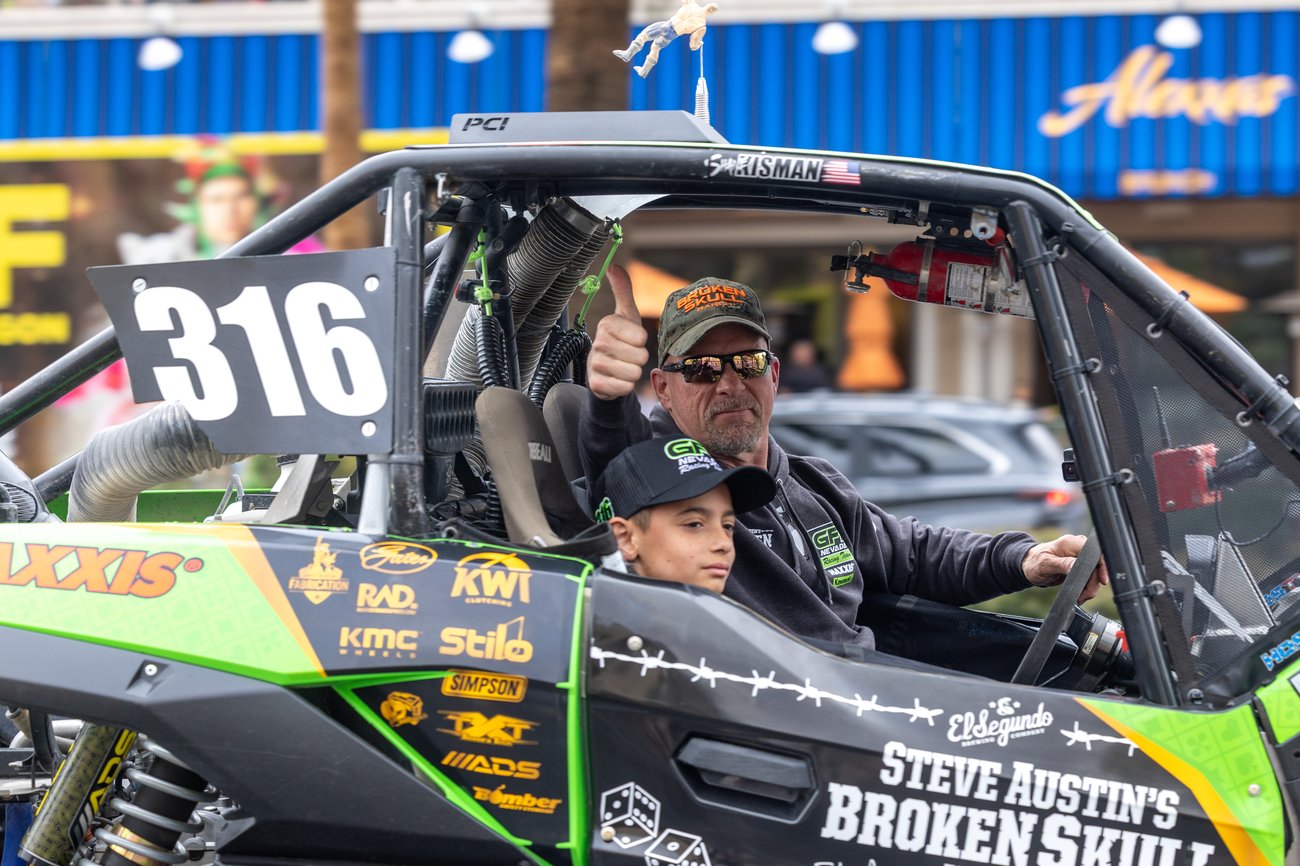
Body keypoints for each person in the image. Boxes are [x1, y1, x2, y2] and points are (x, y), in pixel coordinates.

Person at [579, 265, 1106, 651]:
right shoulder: (667, 487)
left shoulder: (812, 484)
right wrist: (609, 397)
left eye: (747, 361)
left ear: (775, 375)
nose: (730, 383)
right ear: (663, 389)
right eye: (701, 368)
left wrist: (1025, 559)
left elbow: (913, 553)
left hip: (862, 695)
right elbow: (620, 468)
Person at [593, 436, 776, 592]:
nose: (723, 544)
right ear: (624, 539)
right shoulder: (608, 629)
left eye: (728, 526)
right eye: (694, 524)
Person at [612, 0, 719, 78]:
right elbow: (693, 46)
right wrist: (699, 44)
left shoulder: (691, 5)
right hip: (672, 35)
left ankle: (628, 54)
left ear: (706, 5)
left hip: (666, 26)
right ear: (712, 13)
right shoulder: (701, 26)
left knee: (644, 35)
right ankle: (644, 71)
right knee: (655, 47)